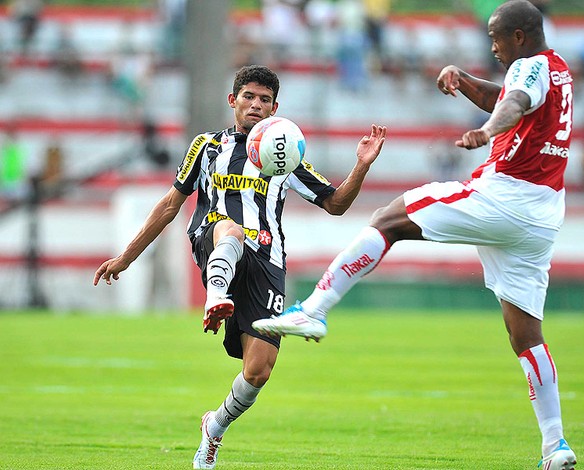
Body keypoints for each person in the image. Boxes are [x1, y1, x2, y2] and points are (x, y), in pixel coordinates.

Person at [253, 2, 577, 469]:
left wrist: (486, 131)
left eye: (496, 37)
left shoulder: (528, 68)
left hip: (506, 195)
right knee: (526, 333)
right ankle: (556, 446)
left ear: (520, 37)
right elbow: (509, 95)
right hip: (544, 214)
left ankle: (314, 309)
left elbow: (513, 103)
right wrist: (465, 82)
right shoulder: (558, 69)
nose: (492, 45)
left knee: (388, 220)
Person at [92, 64, 386, 469]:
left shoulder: (285, 155)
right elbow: (170, 204)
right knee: (229, 227)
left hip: (267, 260)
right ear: (233, 100)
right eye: (248, 96)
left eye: (265, 100)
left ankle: (214, 429)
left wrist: (362, 165)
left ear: (275, 107)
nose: (256, 105)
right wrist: (126, 257)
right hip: (214, 240)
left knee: (259, 370)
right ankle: (216, 298)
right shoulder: (207, 146)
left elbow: (335, 204)